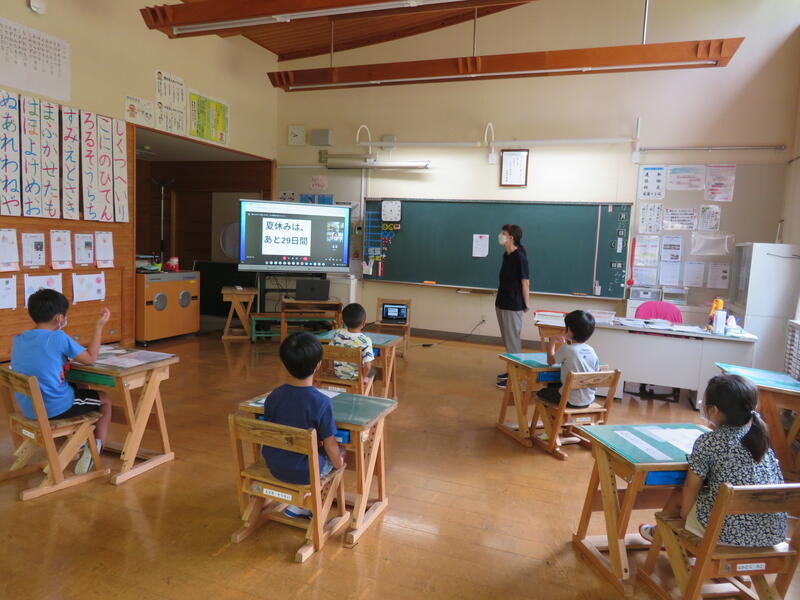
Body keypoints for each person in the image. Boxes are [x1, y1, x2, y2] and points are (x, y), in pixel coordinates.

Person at [640, 374, 787, 546]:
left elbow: (691, 486)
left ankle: (662, 537)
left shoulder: (709, 442)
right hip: (770, 534)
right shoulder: (760, 441)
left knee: (679, 496)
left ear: (714, 410)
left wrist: (686, 517)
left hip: (725, 534)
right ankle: (664, 537)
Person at [10, 289, 112, 475]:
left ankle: (78, 443)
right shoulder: (58, 337)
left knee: (77, 388)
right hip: (54, 407)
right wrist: (99, 326)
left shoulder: (19, 339)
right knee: (104, 399)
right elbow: (90, 358)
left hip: (29, 408)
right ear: (59, 318)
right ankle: (95, 449)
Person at [262, 332, 345, 518]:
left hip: (274, 465)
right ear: (318, 365)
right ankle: (310, 506)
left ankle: (298, 505)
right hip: (305, 472)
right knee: (340, 452)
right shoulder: (321, 402)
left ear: (284, 364)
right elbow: (330, 443)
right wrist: (339, 464)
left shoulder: (273, 396)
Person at [536, 310, 600, 408]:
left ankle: (554, 417)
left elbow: (550, 362)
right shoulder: (591, 350)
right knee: (553, 385)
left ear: (568, 330)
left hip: (569, 399)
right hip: (589, 399)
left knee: (540, 392)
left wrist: (552, 341)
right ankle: (557, 416)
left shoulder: (567, 349)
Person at [495, 224, 530, 389]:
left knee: (513, 342)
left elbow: (525, 282)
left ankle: (515, 379)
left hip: (512, 304)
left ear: (511, 237)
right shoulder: (506, 255)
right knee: (508, 341)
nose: (500, 236)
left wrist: (526, 303)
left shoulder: (519, 257)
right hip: (501, 302)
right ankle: (511, 372)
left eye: (503, 233)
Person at [330, 303, 375, 387]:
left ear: (343, 321)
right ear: (364, 323)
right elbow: (367, 367)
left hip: (338, 374)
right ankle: (364, 388)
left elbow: (330, 351)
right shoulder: (366, 341)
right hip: (356, 378)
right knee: (372, 371)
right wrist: (364, 378)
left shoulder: (338, 333)